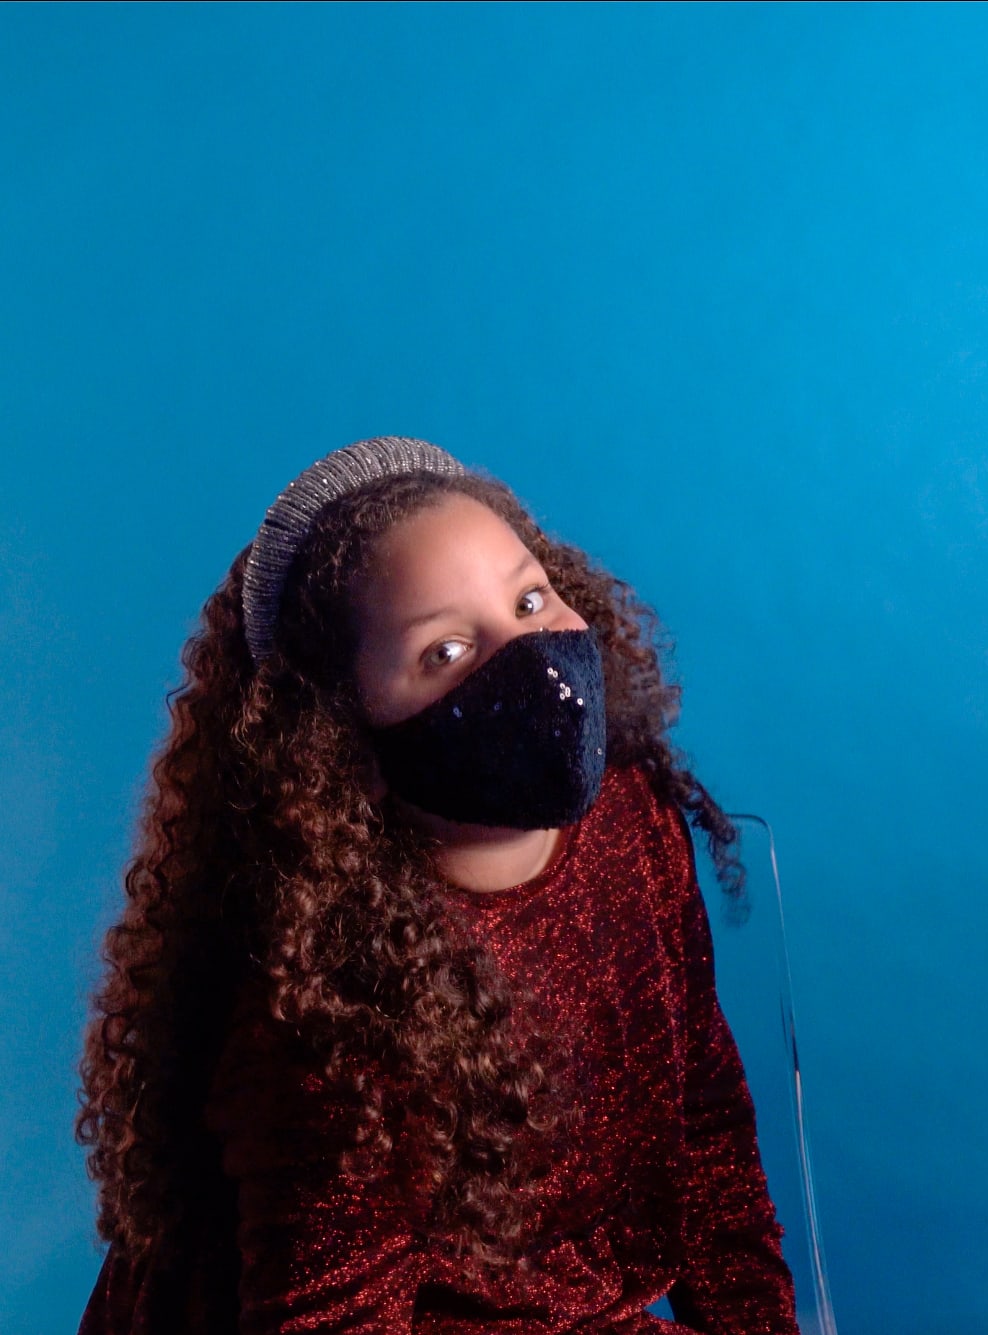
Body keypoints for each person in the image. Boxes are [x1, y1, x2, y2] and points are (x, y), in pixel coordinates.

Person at [76, 439, 799, 1333]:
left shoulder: (633, 822)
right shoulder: (330, 1002)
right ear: (343, 742)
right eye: (446, 650)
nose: (530, 659)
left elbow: (707, 1132)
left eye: (530, 599)